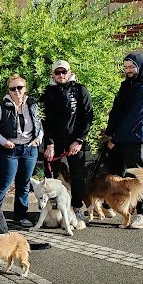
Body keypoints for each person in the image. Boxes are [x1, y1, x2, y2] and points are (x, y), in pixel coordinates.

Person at [104, 51, 143, 229]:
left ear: (141, 66)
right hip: (120, 136)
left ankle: (142, 214)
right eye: (125, 67)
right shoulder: (128, 84)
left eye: (131, 67)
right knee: (115, 172)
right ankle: (113, 205)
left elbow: (135, 117)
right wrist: (111, 132)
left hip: (135, 138)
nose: (128, 70)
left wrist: (116, 138)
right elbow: (117, 109)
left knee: (137, 176)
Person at [41, 60, 93, 222]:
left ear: (70, 72)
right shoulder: (48, 92)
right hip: (54, 143)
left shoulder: (80, 90)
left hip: (75, 142)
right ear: (53, 75)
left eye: (64, 72)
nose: (61, 75)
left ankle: (77, 208)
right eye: (58, 72)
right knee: (50, 177)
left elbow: (88, 116)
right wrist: (49, 143)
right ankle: (52, 211)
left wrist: (79, 140)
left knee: (78, 176)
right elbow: (45, 120)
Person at [0, 73, 43, 227]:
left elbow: (40, 127)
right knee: (3, 184)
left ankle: (20, 216)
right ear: (9, 90)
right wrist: (4, 141)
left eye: (20, 87)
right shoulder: (1, 107)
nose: (17, 91)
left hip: (29, 149)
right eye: (13, 88)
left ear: (25, 88)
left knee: (24, 184)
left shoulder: (33, 105)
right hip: (9, 150)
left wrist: (38, 139)